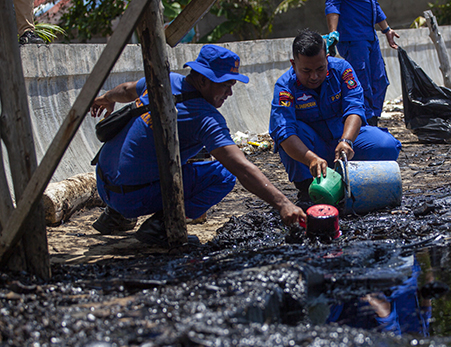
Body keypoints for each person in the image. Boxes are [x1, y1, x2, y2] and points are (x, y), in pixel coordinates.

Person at [90, 44, 306, 247]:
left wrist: (106, 98)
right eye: (225, 85)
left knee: (186, 150)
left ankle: (115, 217)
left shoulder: (164, 81)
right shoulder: (205, 118)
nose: (229, 94)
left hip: (103, 183)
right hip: (130, 198)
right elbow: (241, 168)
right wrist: (283, 204)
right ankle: (161, 226)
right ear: (203, 80)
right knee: (224, 175)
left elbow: (127, 89)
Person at [268, 29, 401, 206]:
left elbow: (354, 107)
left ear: (327, 59)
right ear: (293, 64)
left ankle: (358, 181)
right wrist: (311, 159)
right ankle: (309, 190)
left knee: (387, 145)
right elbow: (284, 133)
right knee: (291, 134)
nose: (314, 77)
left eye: (320, 69)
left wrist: (347, 141)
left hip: (345, 145)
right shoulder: (285, 87)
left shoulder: (342, 70)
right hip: (313, 151)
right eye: (306, 70)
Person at [325, 0, 399, 126]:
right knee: (361, 81)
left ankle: (373, 120)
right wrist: (333, 32)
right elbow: (332, 1)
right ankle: (364, 123)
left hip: (370, 35)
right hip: (353, 36)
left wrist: (386, 30)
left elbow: (373, 3)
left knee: (380, 80)